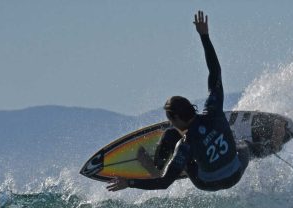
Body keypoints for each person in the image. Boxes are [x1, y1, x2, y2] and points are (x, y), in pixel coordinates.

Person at [107, 10, 252, 192]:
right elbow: (215, 72)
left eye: (171, 120)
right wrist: (204, 36)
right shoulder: (213, 109)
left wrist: (129, 183)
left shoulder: (185, 145)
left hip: (207, 183)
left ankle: (157, 168)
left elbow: (164, 184)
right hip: (236, 174)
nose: (171, 123)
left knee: (171, 138)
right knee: (243, 145)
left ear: (176, 117)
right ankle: (244, 145)